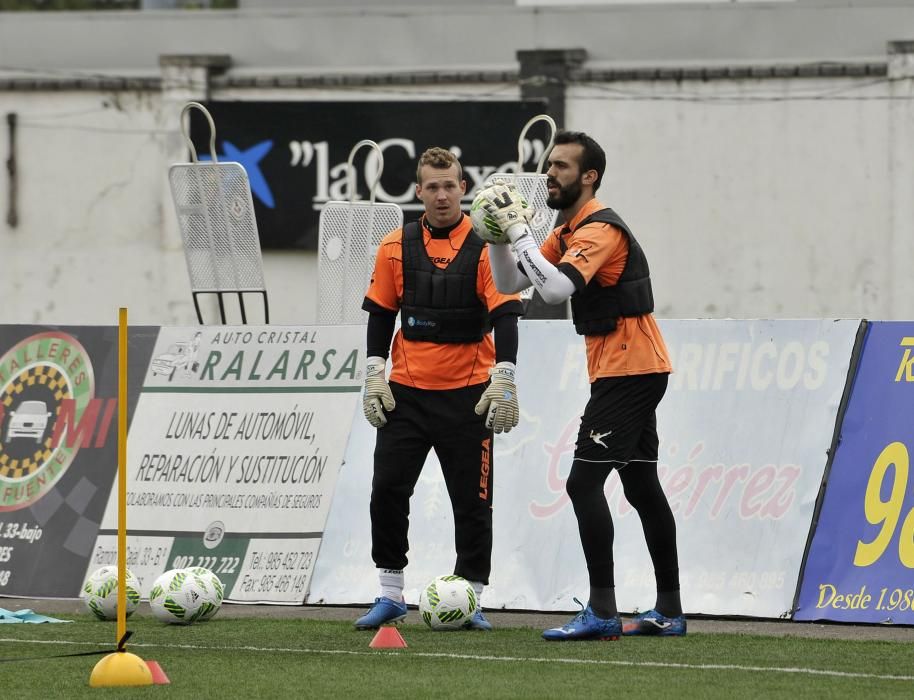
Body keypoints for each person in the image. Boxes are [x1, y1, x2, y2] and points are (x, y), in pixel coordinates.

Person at [477, 131, 685, 640]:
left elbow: (555, 288)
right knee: (640, 486)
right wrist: (501, 238)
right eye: (550, 165)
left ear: (589, 176)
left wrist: (521, 234)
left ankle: (604, 612)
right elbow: (511, 284)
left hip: (629, 371)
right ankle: (669, 611)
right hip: (626, 369)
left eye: (563, 167)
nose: (550, 173)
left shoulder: (599, 230)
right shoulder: (568, 229)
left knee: (582, 483)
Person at [354, 146, 525, 631]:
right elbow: (381, 313)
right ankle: (389, 593)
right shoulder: (394, 246)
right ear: (418, 192)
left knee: (473, 500)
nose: (442, 194)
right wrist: (373, 372)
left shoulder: (489, 248)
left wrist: (505, 375)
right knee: (387, 490)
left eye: (450, 185)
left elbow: (506, 314)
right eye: (432, 186)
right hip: (405, 395)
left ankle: (469, 597)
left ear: (464, 189)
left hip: (469, 395)